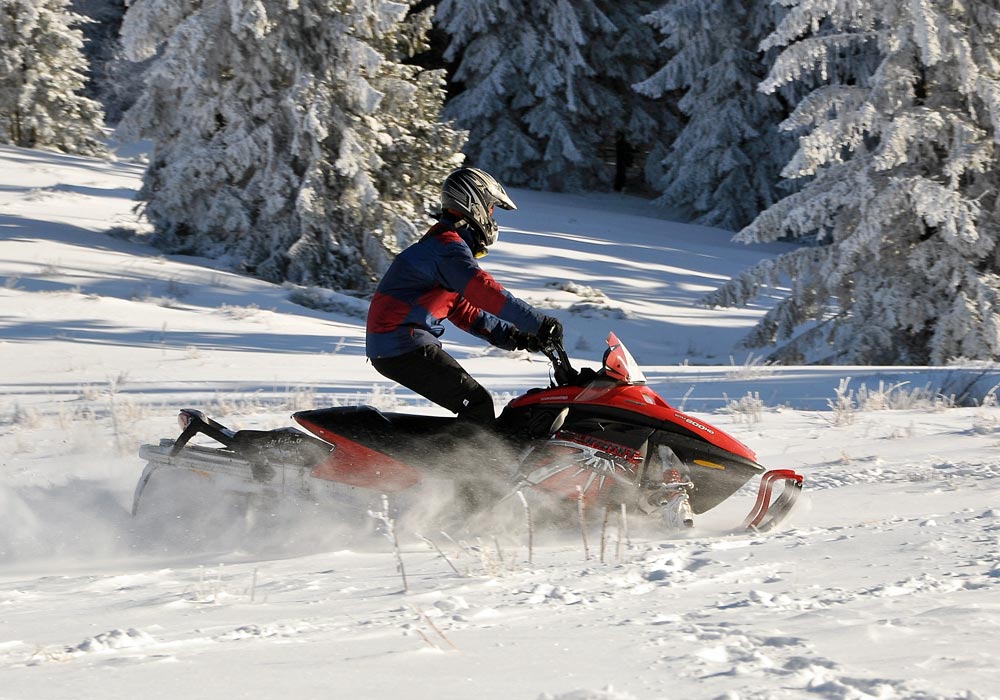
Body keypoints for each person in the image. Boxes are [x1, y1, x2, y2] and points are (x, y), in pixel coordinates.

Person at [365, 167, 562, 428]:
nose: (492, 218)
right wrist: (539, 323)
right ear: (474, 203)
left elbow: (464, 311)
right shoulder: (446, 248)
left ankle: (451, 461)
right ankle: (456, 468)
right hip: (401, 343)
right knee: (477, 404)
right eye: (491, 209)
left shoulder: (444, 247)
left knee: (475, 404)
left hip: (398, 344)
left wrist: (516, 337)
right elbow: (484, 291)